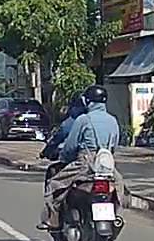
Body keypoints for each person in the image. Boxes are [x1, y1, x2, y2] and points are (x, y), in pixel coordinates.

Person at [38, 85, 122, 230]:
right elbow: (114, 146)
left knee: (54, 184)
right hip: (106, 166)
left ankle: (53, 220)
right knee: (120, 188)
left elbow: (70, 146)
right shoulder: (113, 120)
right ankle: (117, 216)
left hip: (85, 164)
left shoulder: (83, 120)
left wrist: (64, 158)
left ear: (87, 101)